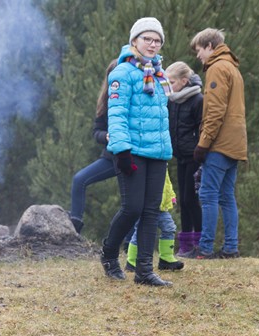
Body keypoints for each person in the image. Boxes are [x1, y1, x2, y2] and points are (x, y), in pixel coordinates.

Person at [100, 17, 174, 287]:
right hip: (131, 152)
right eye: (147, 39)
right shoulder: (122, 73)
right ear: (134, 41)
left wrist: (167, 149)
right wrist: (121, 150)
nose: (153, 44)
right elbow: (116, 115)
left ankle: (144, 271)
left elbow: (163, 117)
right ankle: (109, 255)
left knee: (151, 211)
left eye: (157, 40)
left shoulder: (158, 74)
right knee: (132, 209)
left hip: (157, 153)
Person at [190, 28, 247, 259]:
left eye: (199, 50)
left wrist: (203, 144)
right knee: (226, 196)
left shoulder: (217, 68)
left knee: (208, 194)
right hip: (236, 142)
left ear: (210, 47)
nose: (198, 56)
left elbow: (214, 111)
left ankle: (204, 248)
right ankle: (231, 248)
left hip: (220, 143)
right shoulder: (233, 67)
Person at [69, 60, 119, 235]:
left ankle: (129, 243)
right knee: (79, 179)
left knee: (131, 204)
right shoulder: (105, 100)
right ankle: (74, 226)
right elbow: (96, 131)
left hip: (133, 159)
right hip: (111, 158)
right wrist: (105, 136)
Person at [165, 61, 204, 257]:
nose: (168, 85)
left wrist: (199, 150)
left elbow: (202, 127)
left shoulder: (197, 100)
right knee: (183, 200)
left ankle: (200, 243)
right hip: (179, 155)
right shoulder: (172, 100)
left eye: (171, 81)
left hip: (194, 156)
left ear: (184, 81)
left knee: (191, 198)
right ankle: (186, 244)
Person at [125, 169, 184, 272]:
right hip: (146, 207)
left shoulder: (163, 164)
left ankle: (166, 258)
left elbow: (167, 182)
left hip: (161, 207)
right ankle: (132, 261)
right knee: (140, 232)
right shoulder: (147, 163)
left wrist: (171, 196)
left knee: (169, 228)